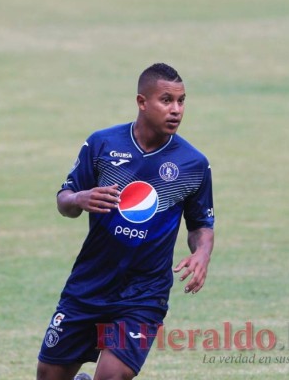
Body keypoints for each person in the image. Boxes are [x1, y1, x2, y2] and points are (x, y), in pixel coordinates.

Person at [37, 63, 215, 380]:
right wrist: (79, 199)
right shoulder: (102, 145)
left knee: (112, 376)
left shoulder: (193, 164)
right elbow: (65, 200)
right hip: (90, 284)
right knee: (50, 375)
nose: (176, 110)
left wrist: (202, 253)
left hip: (143, 293)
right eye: (166, 100)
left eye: (181, 101)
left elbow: (201, 224)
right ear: (141, 102)